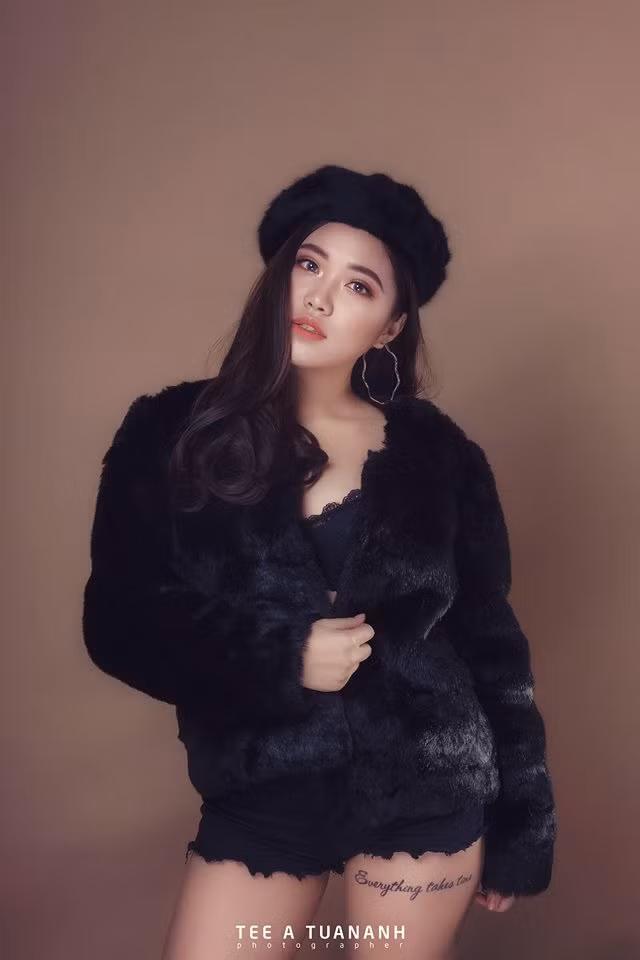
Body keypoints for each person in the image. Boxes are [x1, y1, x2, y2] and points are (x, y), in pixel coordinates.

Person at [82, 164, 557, 959]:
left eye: (359, 285)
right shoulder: (171, 431)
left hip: (424, 790)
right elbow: (118, 621)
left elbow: (492, 645)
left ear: (392, 325)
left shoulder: (441, 454)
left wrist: (522, 825)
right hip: (263, 791)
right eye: (310, 264)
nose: (321, 297)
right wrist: (283, 656)